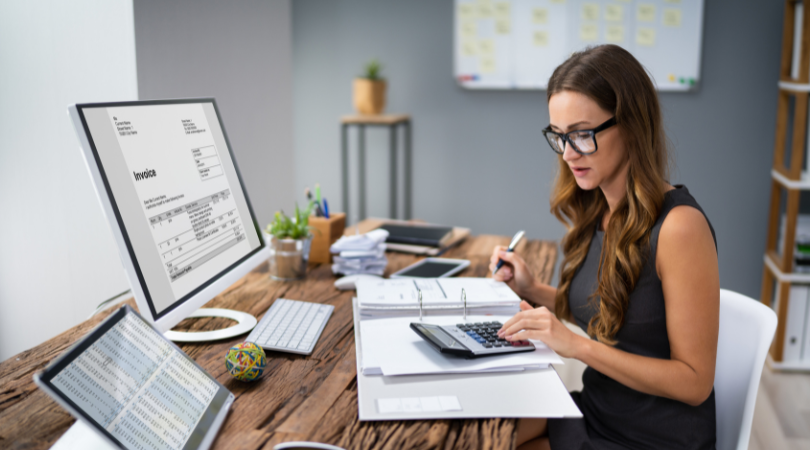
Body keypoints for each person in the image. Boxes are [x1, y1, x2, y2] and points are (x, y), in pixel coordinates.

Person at [489, 44, 719, 450]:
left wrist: (578, 346)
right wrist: (532, 290)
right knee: (480, 435)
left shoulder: (680, 228)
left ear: (631, 125)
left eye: (581, 134)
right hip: (598, 408)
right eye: (558, 136)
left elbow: (695, 383)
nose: (568, 153)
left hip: (652, 437)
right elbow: (615, 316)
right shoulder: (603, 209)